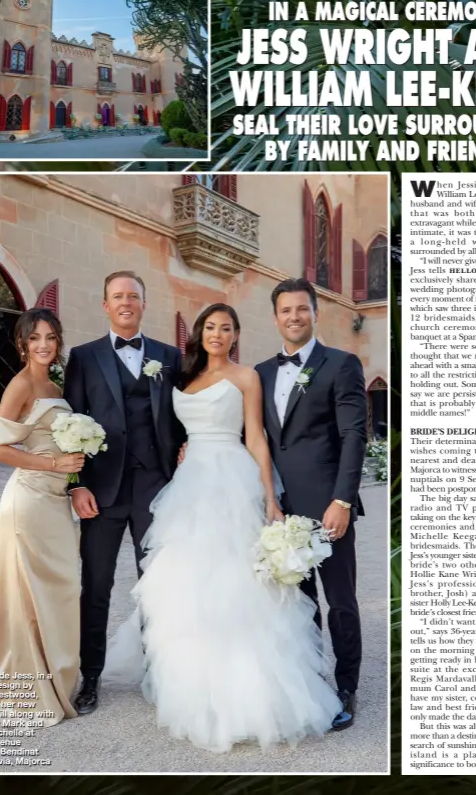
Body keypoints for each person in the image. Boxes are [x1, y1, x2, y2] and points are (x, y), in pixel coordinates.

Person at [103, 303, 341, 753]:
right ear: (199, 333)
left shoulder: (246, 376)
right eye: (210, 327)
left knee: (238, 584)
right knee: (188, 583)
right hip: (189, 485)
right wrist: (183, 449)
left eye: (226, 328)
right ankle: (189, 683)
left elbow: (255, 436)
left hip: (233, 478)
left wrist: (270, 496)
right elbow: (168, 427)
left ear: (236, 335)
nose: (217, 334)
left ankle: (251, 694)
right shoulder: (181, 376)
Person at [63, 270, 185, 716]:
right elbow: (69, 426)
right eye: (117, 296)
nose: (126, 302)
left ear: (143, 304)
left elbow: (184, 414)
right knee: (95, 585)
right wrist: (75, 487)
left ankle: (160, 672)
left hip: (156, 489)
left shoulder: (169, 356)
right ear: (105, 305)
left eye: (133, 296)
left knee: (157, 586)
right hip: (101, 491)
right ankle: (90, 677)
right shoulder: (84, 356)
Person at [255, 278, 368, 730]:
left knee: (340, 599)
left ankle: (347, 685)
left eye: (302, 309)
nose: (294, 317)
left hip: (328, 507)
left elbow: (354, 435)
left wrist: (342, 499)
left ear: (315, 312)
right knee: (298, 602)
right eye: (286, 310)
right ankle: (309, 679)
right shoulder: (261, 372)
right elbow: (255, 435)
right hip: (281, 510)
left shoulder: (341, 364)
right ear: (275, 316)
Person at [0, 308, 85, 727]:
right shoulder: (22, 383)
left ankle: (57, 680)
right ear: (22, 344)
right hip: (27, 501)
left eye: (50, 337)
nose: (44, 345)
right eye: (35, 338)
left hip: (55, 502)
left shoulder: (53, 382)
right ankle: (31, 690)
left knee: (61, 587)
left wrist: (73, 475)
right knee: (31, 595)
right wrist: (52, 466)